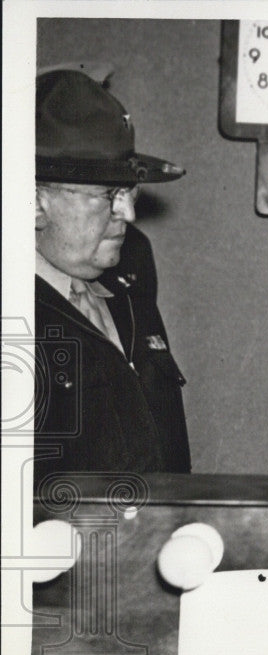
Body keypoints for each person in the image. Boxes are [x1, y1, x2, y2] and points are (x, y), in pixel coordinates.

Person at [34, 69, 190, 485]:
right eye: (108, 196)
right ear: (34, 203)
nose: (130, 215)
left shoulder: (132, 264)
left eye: (130, 192)